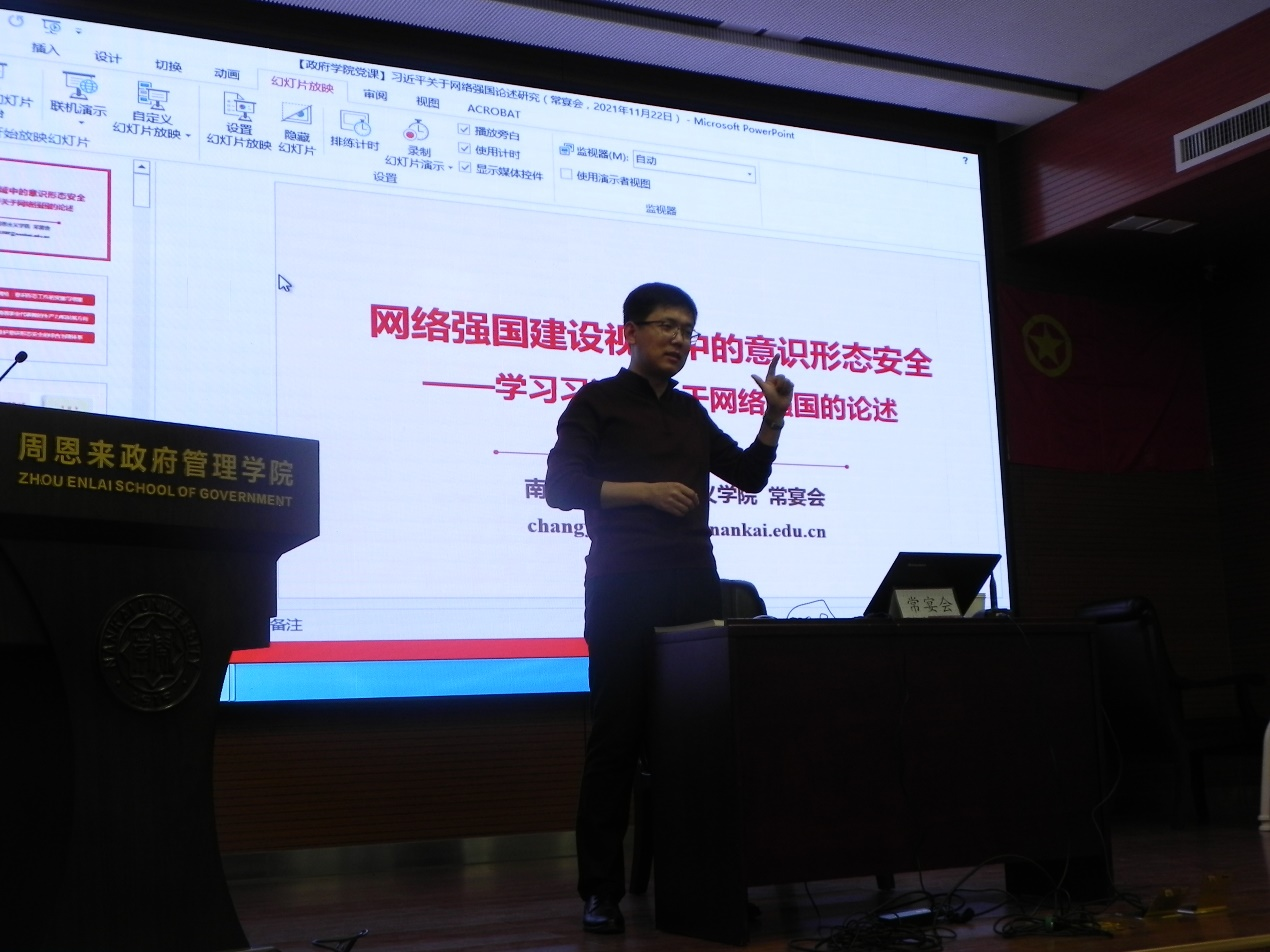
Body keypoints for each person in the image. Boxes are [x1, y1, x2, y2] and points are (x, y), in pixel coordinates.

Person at [544, 282, 793, 934]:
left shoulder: (689, 411)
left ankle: (702, 884)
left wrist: (773, 419)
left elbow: (749, 475)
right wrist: (646, 492)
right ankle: (600, 892)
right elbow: (560, 487)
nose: (679, 338)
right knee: (616, 740)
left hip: (691, 585)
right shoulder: (596, 402)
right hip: (622, 586)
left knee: (694, 742)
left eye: (687, 329)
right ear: (630, 331)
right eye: (665, 325)